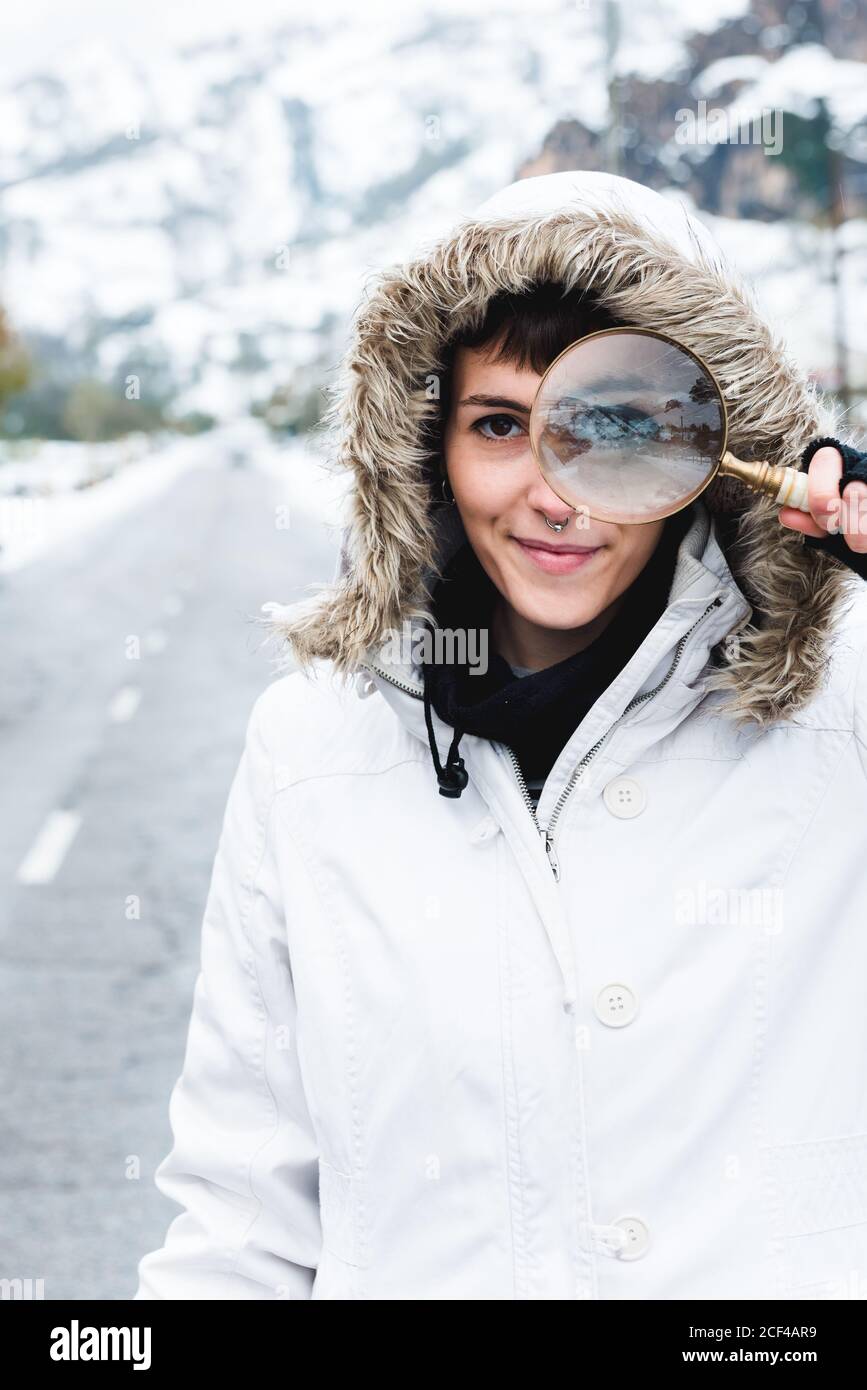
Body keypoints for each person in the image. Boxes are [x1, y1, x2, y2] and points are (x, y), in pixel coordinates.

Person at [134, 170, 867, 1301]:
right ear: (425, 446)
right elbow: (241, 1222)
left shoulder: (838, 703)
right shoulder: (313, 744)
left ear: (704, 452)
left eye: (613, 428)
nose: (554, 495)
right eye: (499, 426)